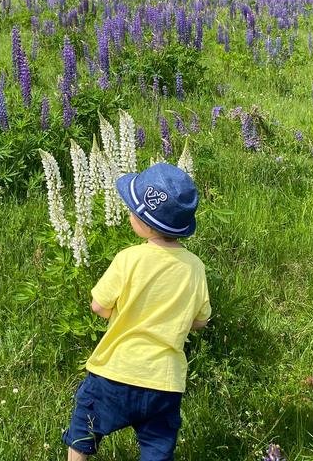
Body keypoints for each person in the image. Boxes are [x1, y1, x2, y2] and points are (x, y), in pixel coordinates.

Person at [63, 162, 211, 461]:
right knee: (158, 451)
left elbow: (99, 306)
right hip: (165, 383)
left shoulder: (128, 258)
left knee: (83, 431)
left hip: (114, 372)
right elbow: (200, 321)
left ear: (142, 220)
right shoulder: (195, 267)